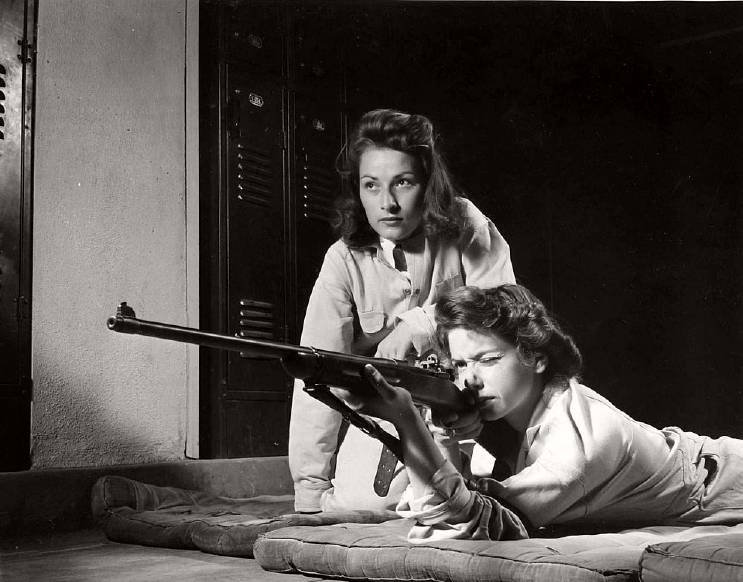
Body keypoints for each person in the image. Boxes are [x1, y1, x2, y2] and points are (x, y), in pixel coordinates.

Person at [342, 284, 743, 542]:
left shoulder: (580, 446)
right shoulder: (516, 409)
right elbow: (454, 495)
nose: (470, 381)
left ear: (534, 357)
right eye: (461, 365)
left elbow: (466, 525)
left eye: (488, 359)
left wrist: (407, 420)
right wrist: (442, 434)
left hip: (726, 478)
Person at [289, 109, 516, 513]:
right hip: (394, 409)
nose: (388, 203)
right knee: (366, 506)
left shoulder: (465, 222)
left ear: (428, 185)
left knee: (532, 487)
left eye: (403, 183)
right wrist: (308, 495)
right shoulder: (342, 260)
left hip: (479, 401)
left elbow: (506, 308)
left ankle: (485, 469)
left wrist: (421, 324)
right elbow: (315, 376)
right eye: (371, 186)